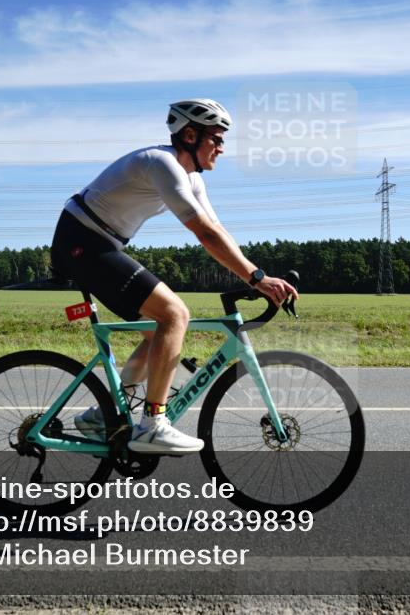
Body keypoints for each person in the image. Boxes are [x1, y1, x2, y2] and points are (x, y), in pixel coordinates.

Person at [50, 99, 298, 455]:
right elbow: (204, 235)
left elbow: (216, 229)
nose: (222, 148)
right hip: (82, 240)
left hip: (101, 242)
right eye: (216, 139)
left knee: (160, 328)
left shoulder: (191, 179)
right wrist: (257, 278)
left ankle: (100, 416)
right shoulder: (162, 164)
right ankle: (152, 425)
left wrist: (257, 274)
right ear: (190, 135)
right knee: (175, 314)